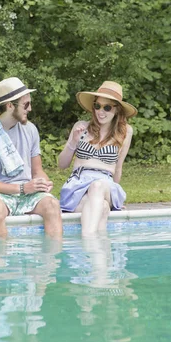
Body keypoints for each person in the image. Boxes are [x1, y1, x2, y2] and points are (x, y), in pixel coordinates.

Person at [0, 77, 62, 238]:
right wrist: (22, 188)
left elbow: (37, 170)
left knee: (53, 205)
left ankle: (50, 260)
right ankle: (2, 260)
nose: (30, 109)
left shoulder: (30, 129)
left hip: (28, 193)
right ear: (10, 105)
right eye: (26, 104)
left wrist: (42, 182)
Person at [58, 81, 137, 235]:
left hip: (105, 184)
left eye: (107, 107)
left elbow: (118, 168)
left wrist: (115, 198)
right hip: (77, 186)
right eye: (97, 106)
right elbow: (62, 164)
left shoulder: (126, 132)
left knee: (97, 186)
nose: (101, 111)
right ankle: (96, 254)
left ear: (117, 110)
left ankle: (87, 241)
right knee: (102, 208)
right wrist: (73, 142)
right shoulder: (81, 127)